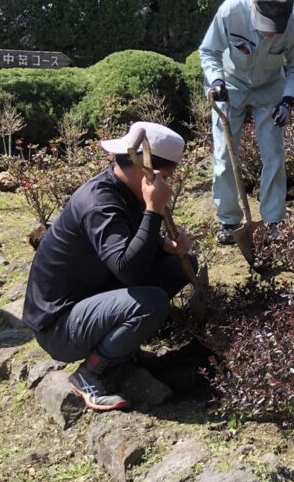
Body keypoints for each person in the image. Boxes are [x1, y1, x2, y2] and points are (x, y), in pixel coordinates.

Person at [22, 122, 194, 411]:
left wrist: (165, 246)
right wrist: (153, 211)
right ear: (149, 170)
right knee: (152, 302)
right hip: (60, 326)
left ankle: (123, 353)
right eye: (168, 175)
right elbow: (129, 270)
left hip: (89, 298)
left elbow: (125, 246)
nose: (169, 182)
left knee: (181, 264)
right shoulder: (99, 203)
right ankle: (89, 374)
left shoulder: (126, 190)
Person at [199, 0, 294, 242]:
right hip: (230, 84)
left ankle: (274, 220)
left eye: (275, 32)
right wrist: (216, 81)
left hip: (271, 89)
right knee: (224, 154)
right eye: (264, 29)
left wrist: (288, 100)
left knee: (273, 153)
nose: (269, 36)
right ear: (253, 10)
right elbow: (209, 50)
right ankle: (229, 221)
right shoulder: (231, 11)